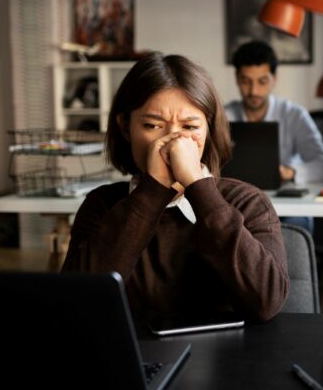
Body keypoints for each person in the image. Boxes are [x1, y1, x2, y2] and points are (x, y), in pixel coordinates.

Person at [62, 53, 289, 322]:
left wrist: (198, 187)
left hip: (227, 359)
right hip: (136, 360)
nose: (172, 142)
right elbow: (78, 302)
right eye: (153, 125)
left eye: (190, 126)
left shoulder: (248, 201)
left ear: (208, 129)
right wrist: (153, 189)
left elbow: (266, 302)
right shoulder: (101, 204)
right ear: (125, 127)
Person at [225, 40, 323, 184]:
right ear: (237, 79)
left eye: (262, 81)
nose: (253, 91)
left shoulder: (294, 115)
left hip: (283, 199)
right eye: (246, 82)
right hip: (234, 196)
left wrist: (290, 172)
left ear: (274, 79)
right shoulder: (222, 117)